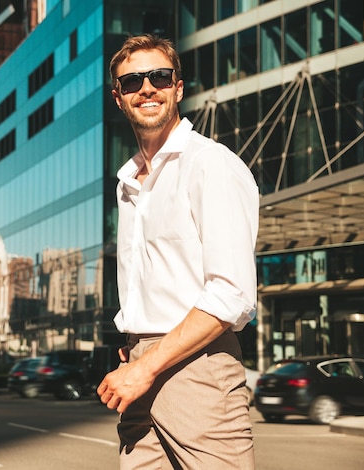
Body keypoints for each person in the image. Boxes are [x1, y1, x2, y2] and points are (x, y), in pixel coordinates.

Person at [97, 34, 259, 470]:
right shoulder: (128, 183)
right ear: (118, 98)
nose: (146, 88)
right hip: (138, 370)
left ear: (178, 88)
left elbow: (231, 294)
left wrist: (147, 365)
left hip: (198, 370)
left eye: (159, 77)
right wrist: (138, 351)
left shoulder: (211, 164)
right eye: (132, 82)